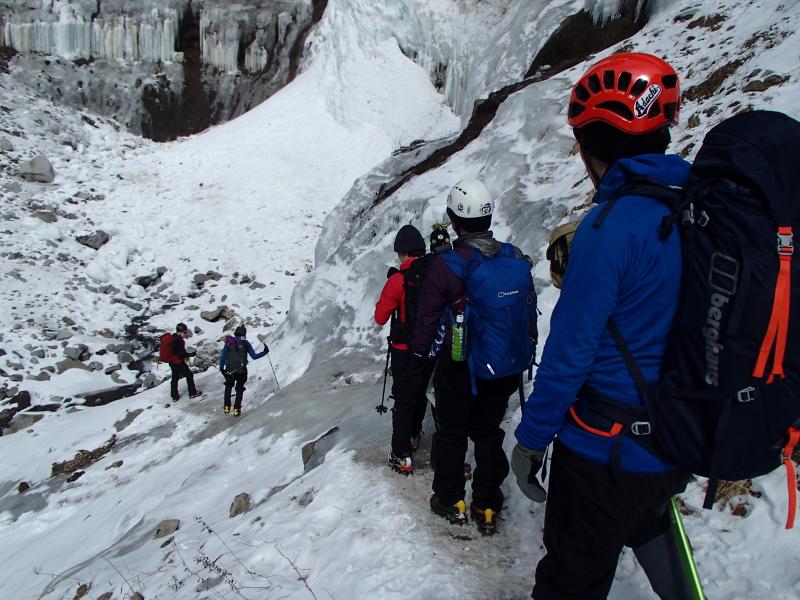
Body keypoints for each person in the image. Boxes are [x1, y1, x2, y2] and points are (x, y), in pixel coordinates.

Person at [512, 53, 693, 599]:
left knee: (570, 578)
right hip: (676, 436)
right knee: (647, 520)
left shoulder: (610, 229)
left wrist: (531, 440)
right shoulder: (696, 209)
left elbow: (570, 354)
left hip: (602, 450)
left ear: (594, 148)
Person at [411, 179, 537, 533]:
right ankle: (487, 503)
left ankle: (450, 498)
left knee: (451, 432)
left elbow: (427, 319)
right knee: (488, 431)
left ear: (454, 222)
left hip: (460, 364)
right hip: (502, 364)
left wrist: (419, 359)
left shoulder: (448, 265)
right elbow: (528, 311)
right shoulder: (513, 257)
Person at [374, 224, 434, 474]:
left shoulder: (398, 281)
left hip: (404, 350)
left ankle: (401, 455)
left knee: (404, 400)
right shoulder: (436, 274)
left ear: (402, 252)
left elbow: (380, 317)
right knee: (421, 394)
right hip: (430, 348)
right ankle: (414, 435)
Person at [219, 325, 268, 416]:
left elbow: (223, 357)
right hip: (241, 371)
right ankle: (236, 409)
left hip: (229, 370)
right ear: (244, 333)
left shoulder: (229, 342)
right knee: (239, 389)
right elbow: (254, 356)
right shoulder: (245, 343)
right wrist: (265, 352)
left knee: (228, 387)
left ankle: (226, 408)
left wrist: (222, 368)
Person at [170, 322, 202, 401]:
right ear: (180, 332)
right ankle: (192, 393)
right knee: (189, 375)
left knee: (175, 378)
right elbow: (179, 353)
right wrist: (189, 354)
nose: (185, 334)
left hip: (171, 362)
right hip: (178, 362)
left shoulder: (172, 337)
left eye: (186, 332)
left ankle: (174, 396)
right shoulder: (178, 340)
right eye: (184, 332)